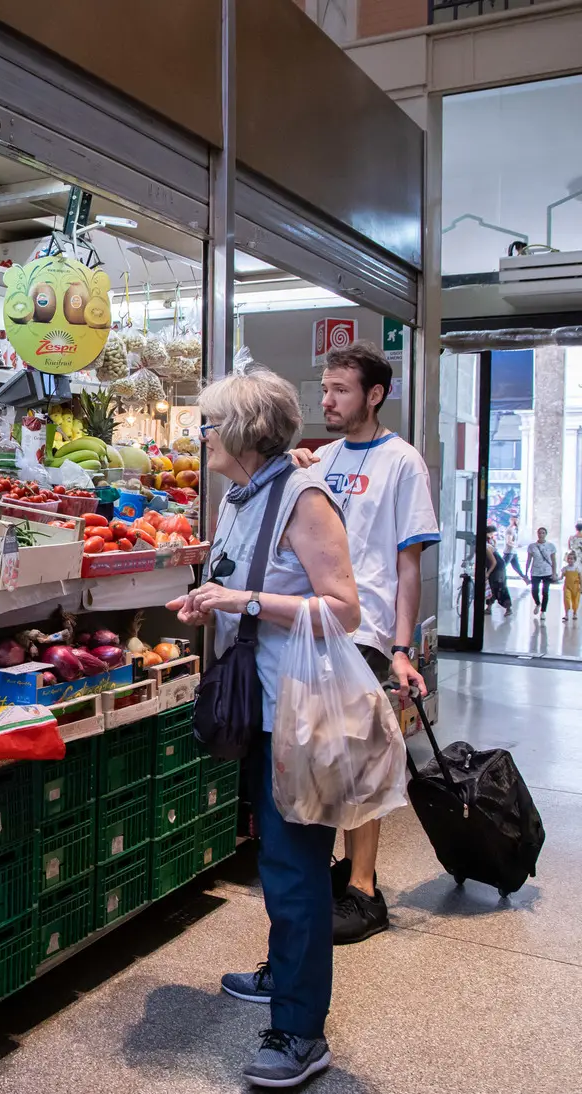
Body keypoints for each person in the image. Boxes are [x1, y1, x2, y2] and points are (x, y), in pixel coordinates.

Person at [168, 366, 360, 1089]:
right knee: (275, 858)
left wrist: (244, 601)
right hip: (260, 707)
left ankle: (302, 1032)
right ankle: (284, 974)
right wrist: (211, 603)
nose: (204, 434)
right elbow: (243, 588)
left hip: (298, 712)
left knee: (293, 868)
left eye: (212, 423)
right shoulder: (242, 498)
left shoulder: (304, 499)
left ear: (245, 432)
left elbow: (345, 609)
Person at [290, 340, 438, 946]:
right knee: (326, 756)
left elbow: (408, 565)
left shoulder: (402, 462)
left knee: (360, 762)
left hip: (369, 630)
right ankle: (340, 874)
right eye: (324, 388)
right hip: (321, 624)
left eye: (340, 390)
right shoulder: (320, 461)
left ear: (375, 395)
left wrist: (402, 647)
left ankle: (365, 890)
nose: (326, 400)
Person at [525, 527, 557, 616]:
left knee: (545, 591)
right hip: (535, 571)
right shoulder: (532, 546)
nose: (541, 535)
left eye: (543, 533)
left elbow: (553, 560)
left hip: (547, 571)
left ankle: (543, 611)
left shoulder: (551, 546)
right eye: (539, 533)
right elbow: (528, 560)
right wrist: (526, 573)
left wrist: (554, 573)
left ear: (545, 534)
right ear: (537, 534)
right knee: (534, 590)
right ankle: (538, 603)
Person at [486, 525, 512, 616]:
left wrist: (488, 573)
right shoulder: (488, 542)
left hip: (497, 567)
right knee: (491, 587)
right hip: (494, 566)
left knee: (499, 586)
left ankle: (508, 608)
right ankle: (488, 607)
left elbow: (494, 562)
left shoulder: (486, 546)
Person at [563, 551, 582, 622]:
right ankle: (566, 614)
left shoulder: (577, 568)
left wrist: (581, 587)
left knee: (575, 601)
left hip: (576, 587)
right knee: (566, 599)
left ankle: (575, 613)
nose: (570, 560)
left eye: (572, 559)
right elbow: (561, 577)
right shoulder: (565, 568)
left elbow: (580, 578)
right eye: (569, 558)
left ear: (575, 560)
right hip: (567, 586)